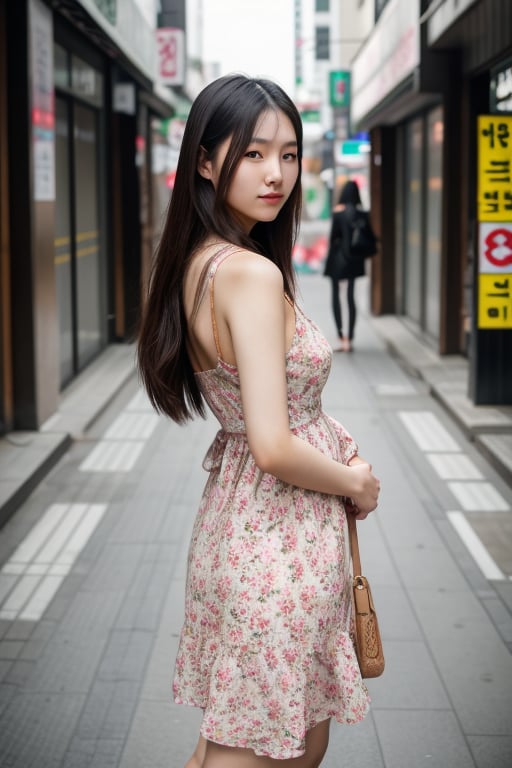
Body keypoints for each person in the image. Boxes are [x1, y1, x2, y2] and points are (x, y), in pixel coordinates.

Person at [137, 74, 380, 768]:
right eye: (253, 154)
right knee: (272, 751)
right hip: (278, 543)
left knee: (254, 742)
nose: (277, 174)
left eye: (290, 154)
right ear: (207, 162)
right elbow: (272, 445)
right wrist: (355, 483)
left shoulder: (203, 261)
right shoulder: (248, 273)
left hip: (240, 530)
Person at [323, 180, 373, 352]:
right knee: (351, 297)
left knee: (337, 296)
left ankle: (340, 336)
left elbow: (332, 239)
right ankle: (350, 339)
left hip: (338, 260)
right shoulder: (362, 214)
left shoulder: (339, 213)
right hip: (355, 260)